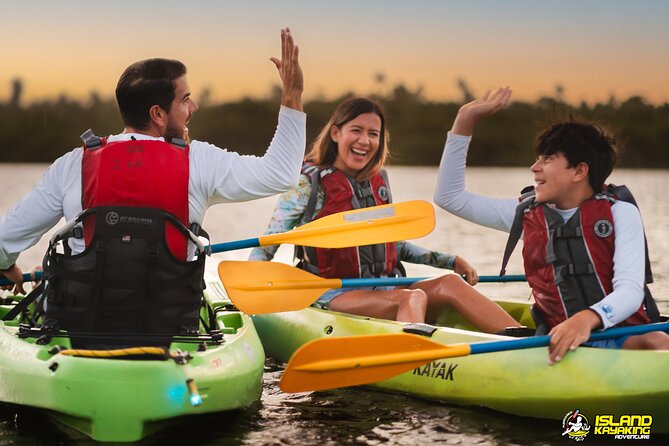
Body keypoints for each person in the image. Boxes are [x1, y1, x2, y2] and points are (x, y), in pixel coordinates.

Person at [0, 28, 305, 337]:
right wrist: (292, 97)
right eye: (185, 99)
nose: (194, 107)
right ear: (158, 113)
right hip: (169, 329)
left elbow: (4, 238)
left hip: (80, 326)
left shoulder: (72, 164)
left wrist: (7, 263)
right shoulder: (198, 162)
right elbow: (280, 174)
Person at [434, 87, 669, 364]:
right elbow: (449, 197)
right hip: (554, 338)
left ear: (580, 171)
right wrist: (464, 122)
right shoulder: (526, 214)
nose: (535, 167)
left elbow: (630, 290)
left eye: (547, 159)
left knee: (659, 341)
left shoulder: (621, 213)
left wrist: (587, 319)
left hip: (618, 333)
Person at [250, 97, 519, 332]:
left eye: (373, 133)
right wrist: (249, 293)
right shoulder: (308, 184)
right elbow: (269, 243)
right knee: (411, 298)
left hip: (384, 287)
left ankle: (523, 341)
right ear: (335, 133)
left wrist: (450, 261)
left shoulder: (377, 183)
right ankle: (417, 359)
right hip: (333, 292)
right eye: (356, 130)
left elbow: (390, 245)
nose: (364, 141)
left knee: (450, 283)